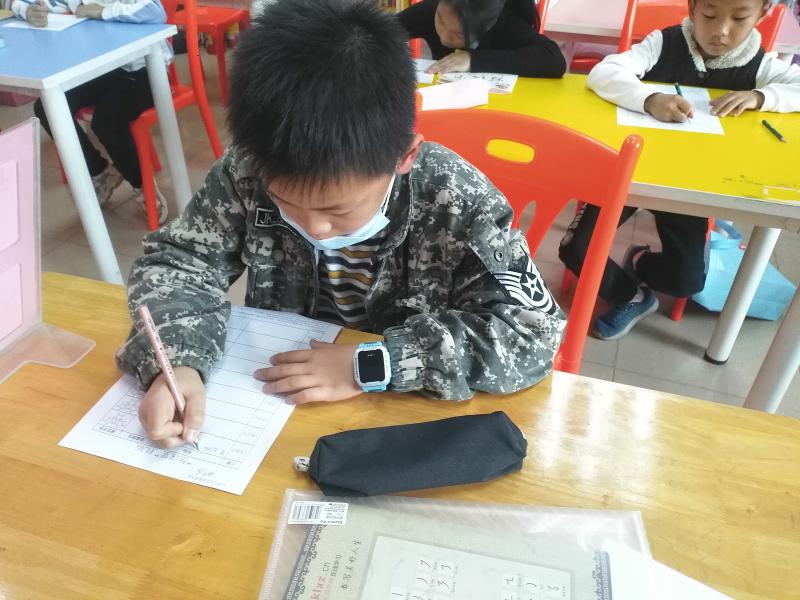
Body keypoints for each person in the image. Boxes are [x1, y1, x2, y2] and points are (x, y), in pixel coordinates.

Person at [115, 0, 566, 448]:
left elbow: (532, 336)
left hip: (395, 420)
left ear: (405, 156)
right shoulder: (247, 171)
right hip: (281, 402)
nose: (316, 228)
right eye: (286, 203)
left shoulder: (457, 201)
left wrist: (374, 364)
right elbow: (178, 264)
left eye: (338, 211)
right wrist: (179, 361)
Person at [559, 0, 800, 341]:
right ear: (692, 8)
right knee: (575, 249)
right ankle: (631, 295)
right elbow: (603, 72)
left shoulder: (759, 63)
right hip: (633, 174)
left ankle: (640, 262)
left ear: (761, 15)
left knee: (686, 281)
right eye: (710, 15)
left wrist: (761, 97)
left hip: (691, 186)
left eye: (739, 18)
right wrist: (648, 99)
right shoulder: (664, 42)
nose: (721, 31)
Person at [17, 0, 171, 224]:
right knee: (46, 107)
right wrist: (27, 10)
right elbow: (47, 4)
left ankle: (142, 185)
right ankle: (100, 171)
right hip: (106, 68)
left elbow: (154, 11)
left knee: (107, 122)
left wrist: (103, 12)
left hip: (145, 70)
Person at [398, 0, 566, 77]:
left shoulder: (505, 24)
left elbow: (554, 59)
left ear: (488, 26)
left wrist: (473, 60)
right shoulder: (430, 10)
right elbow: (384, 32)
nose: (444, 38)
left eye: (459, 34)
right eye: (440, 21)